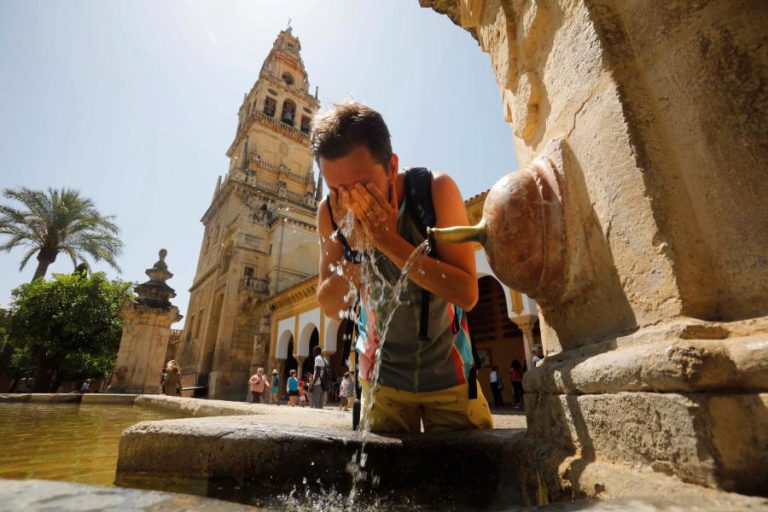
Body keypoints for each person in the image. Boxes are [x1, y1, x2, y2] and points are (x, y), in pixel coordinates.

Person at [313, 101, 493, 433]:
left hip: (451, 378)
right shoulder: (330, 214)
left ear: (392, 166)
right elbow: (329, 304)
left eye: (363, 186)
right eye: (338, 190)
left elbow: (466, 294)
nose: (352, 201)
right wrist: (357, 251)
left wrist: (388, 242)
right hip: (380, 383)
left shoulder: (435, 191)